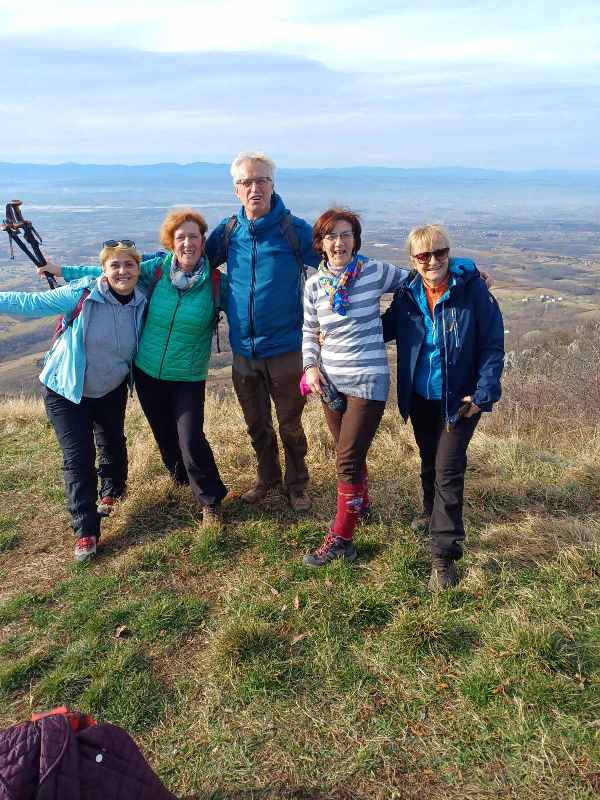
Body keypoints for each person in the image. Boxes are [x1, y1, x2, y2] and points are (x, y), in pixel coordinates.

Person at [42, 210, 228, 527]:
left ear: (203, 241)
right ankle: (181, 479)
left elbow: (245, 312)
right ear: (171, 242)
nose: (187, 243)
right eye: (181, 237)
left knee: (190, 437)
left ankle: (210, 501)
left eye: (193, 236)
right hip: (147, 371)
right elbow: (112, 271)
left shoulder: (215, 283)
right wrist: (62, 271)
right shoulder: (157, 269)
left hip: (187, 374)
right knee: (164, 433)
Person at [1, 242, 146, 561]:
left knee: (111, 439)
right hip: (67, 389)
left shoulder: (141, 299)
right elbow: (31, 302)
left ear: (139, 269)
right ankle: (86, 531)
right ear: (103, 271)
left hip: (111, 386)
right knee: (78, 457)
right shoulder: (82, 294)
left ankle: (112, 491)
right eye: (114, 265)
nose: (122, 271)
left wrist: (62, 269)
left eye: (129, 265)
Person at [381, 225, 504, 588]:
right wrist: (337, 326)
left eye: (440, 252)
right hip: (420, 397)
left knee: (448, 470)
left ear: (449, 254)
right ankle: (428, 511)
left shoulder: (472, 290)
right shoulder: (407, 294)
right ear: (412, 260)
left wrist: (482, 394)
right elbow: (383, 329)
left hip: (460, 401)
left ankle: (443, 556)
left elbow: (492, 345)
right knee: (430, 459)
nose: (433, 260)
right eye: (423, 255)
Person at [205, 152, 320, 512]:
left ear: (272, 185)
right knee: (256, 423)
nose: (254, 188)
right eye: (246, 182)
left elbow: (337, 261)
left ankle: (297, 484)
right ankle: (267, 477)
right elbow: (190, 262)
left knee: (290, 424)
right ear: (236, 189)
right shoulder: (228, 232)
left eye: (261, 180)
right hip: (244, 350)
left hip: (286, 348)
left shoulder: (293, 229)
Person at [300, 209, 412, 567]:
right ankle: (359, 504)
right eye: (331, 236)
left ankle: (342, 538)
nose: (339, 242)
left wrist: (466, 272)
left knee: (346, 461)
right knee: (348, 452)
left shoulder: (374, 272)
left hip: (368, 380)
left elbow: (417, 279)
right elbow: (309, 330)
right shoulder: (314, 285)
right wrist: (310, 367)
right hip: (331, 383)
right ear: (320, 244)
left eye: (345, 235)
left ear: (355, 240)